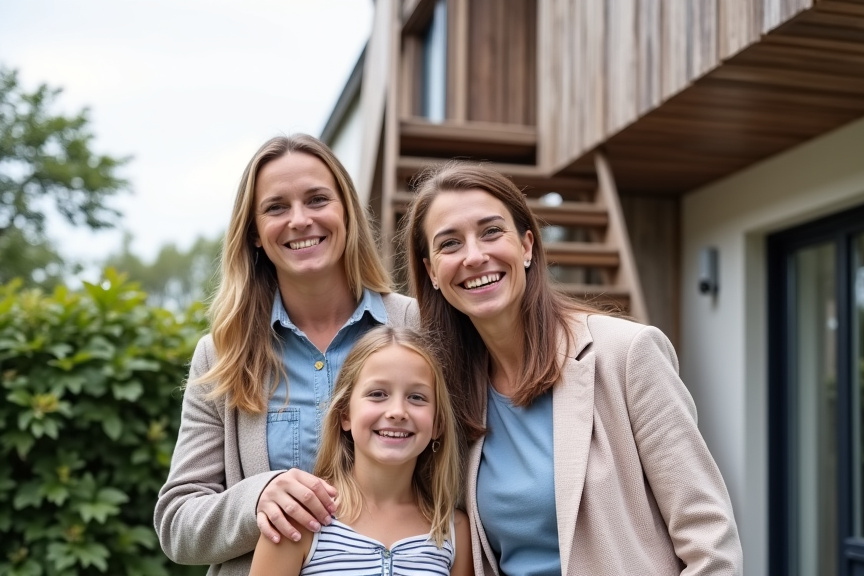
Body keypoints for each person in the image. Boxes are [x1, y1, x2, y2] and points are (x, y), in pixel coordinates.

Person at [402, 161, 743, 576]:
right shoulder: (446, 388)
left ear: (527, 246)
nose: (474, 256)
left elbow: (711, 541)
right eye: (450, 243)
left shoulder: (626, 354)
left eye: (491, 232)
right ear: (431, 272)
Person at [154, 134, 419, 576]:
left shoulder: (419, 328)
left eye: (317, 199)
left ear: (347, 212)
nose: (300, 220)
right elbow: (177, 524)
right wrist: (258, 497)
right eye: (276, 207)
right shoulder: (222, 355)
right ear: (255, 233)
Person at [248, 326, 471, 576]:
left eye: (417, 397)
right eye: (378, 394)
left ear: (438, 423)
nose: (397, 411)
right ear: (345, 414)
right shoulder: (300, 516)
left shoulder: (454, 531)